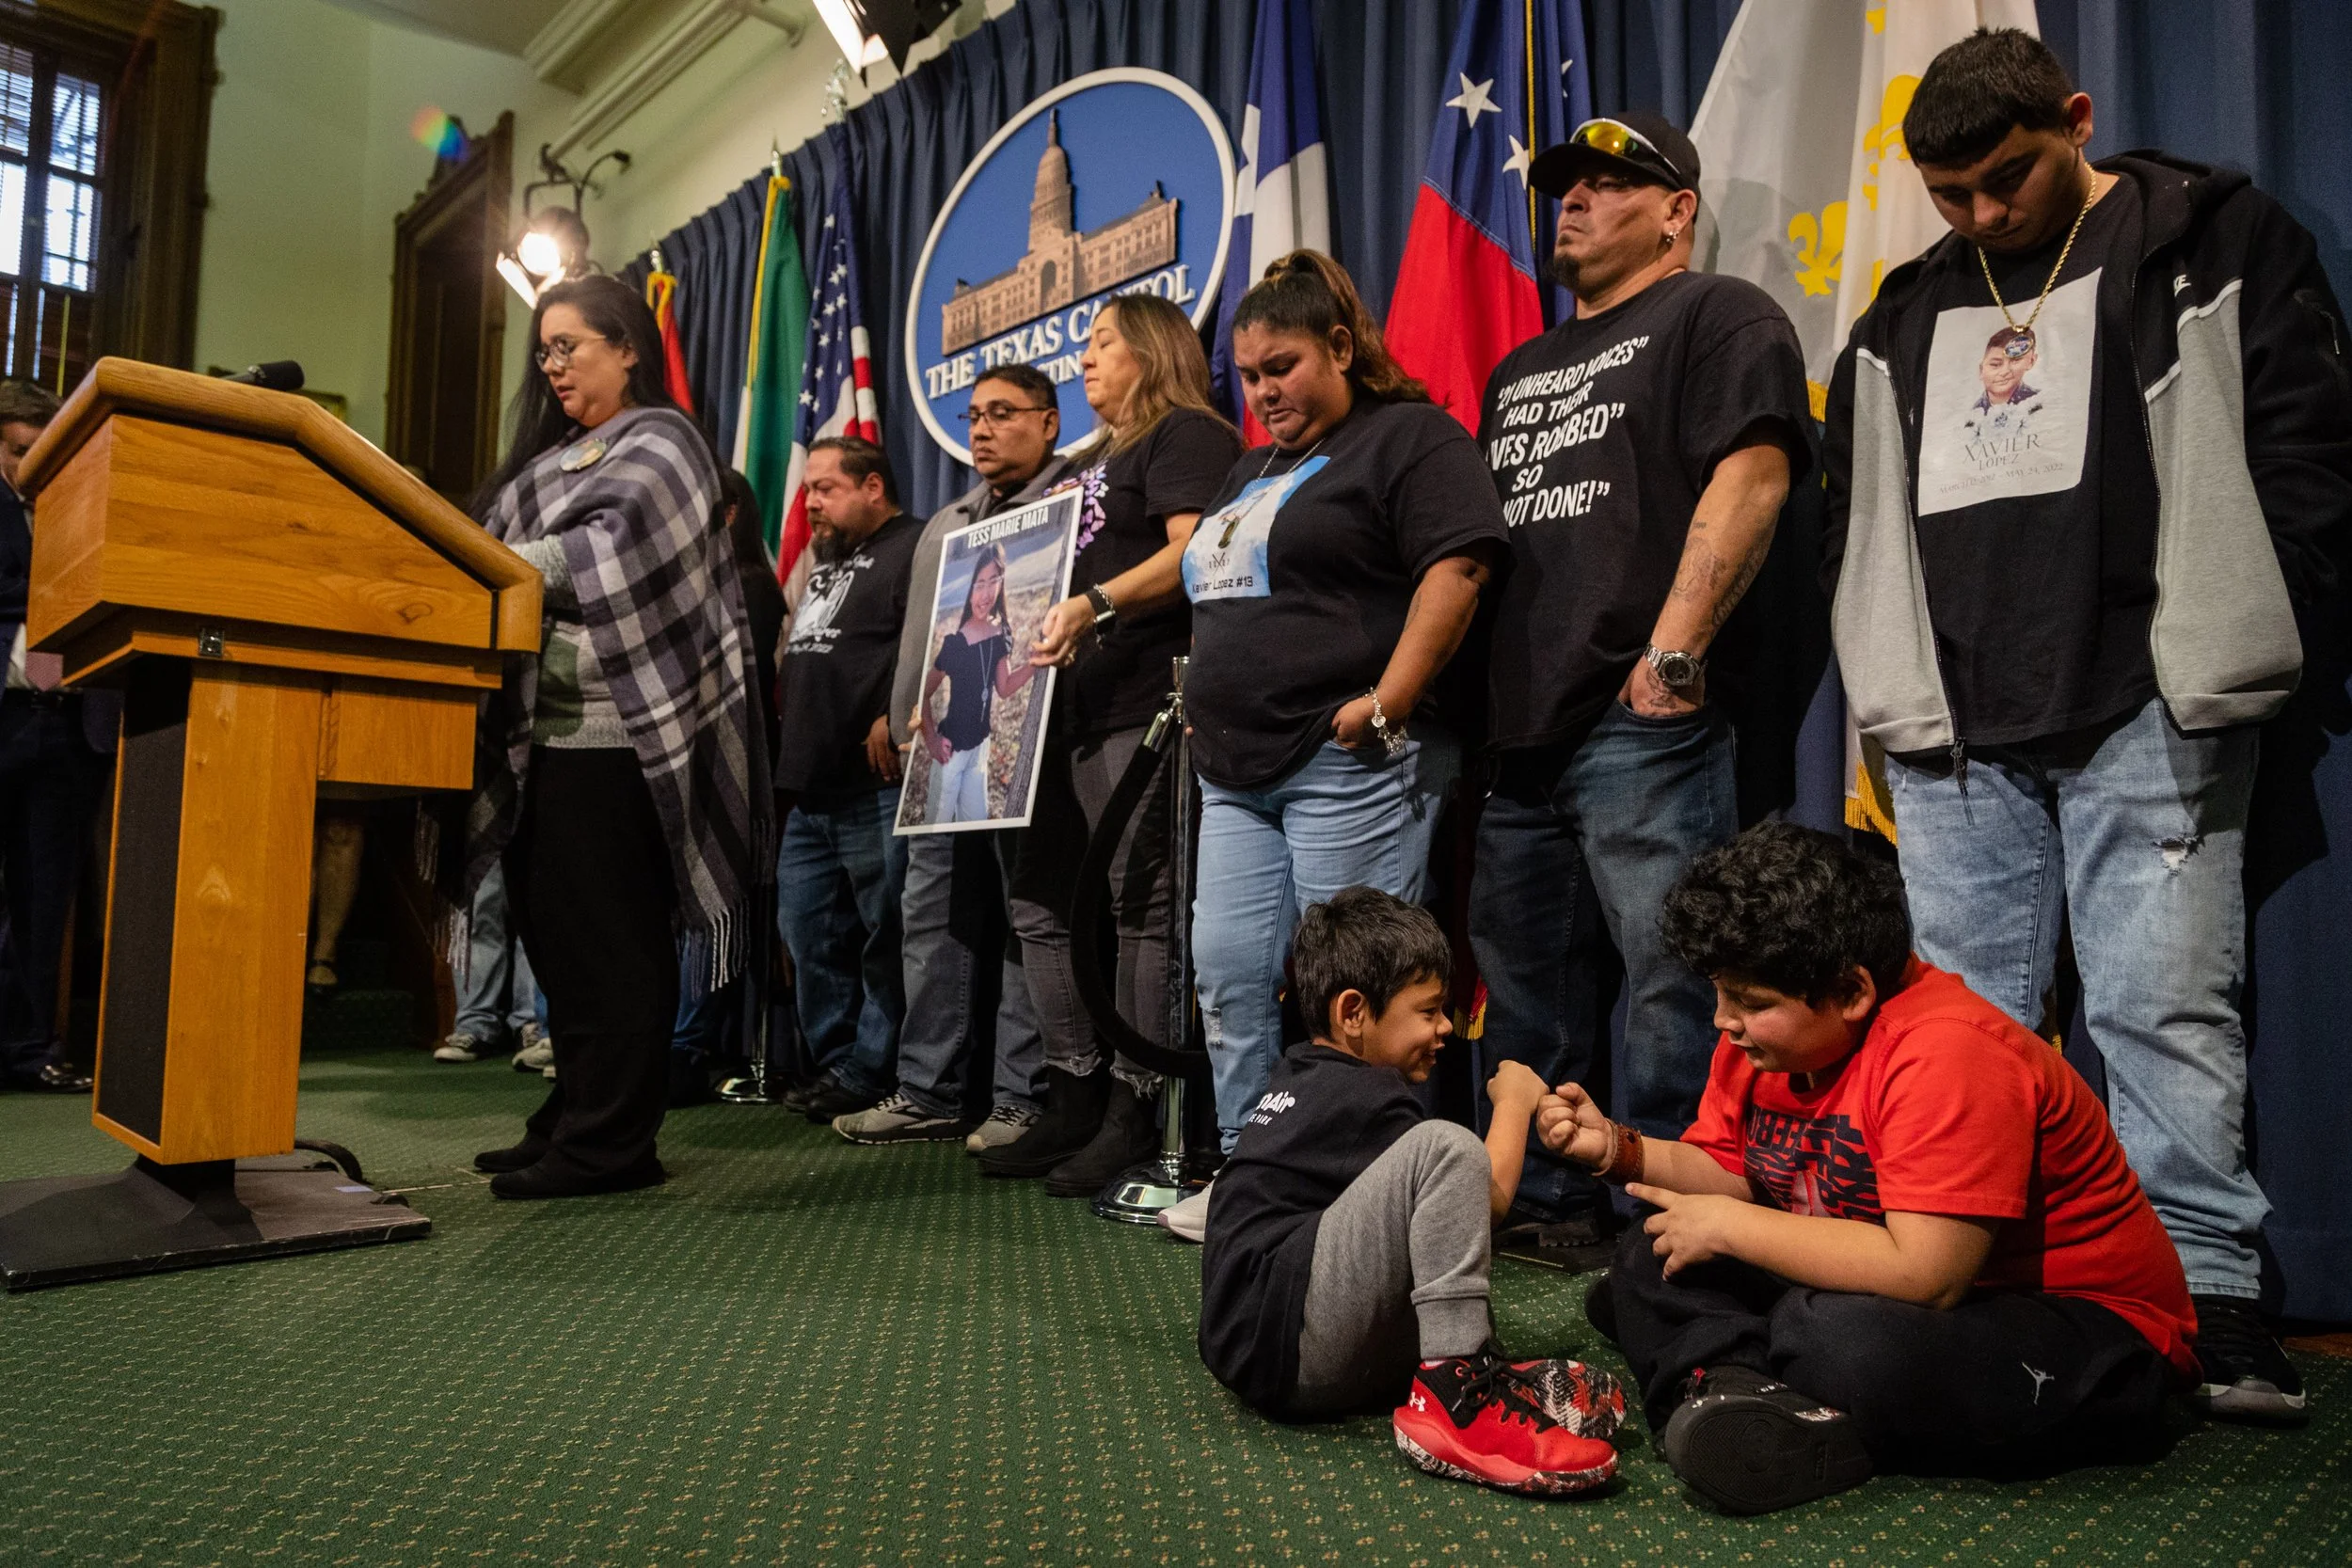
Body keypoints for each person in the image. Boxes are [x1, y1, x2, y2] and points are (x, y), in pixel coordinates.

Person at [1822, 26, 2352, 1419]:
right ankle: (1981, 1274)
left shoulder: (2209, 237)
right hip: (1952, 719)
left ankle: (2206, 1294)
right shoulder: (1904, 307)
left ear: (2078, 117)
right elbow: (1856, 513)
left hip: (2146, 692)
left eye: (2006, 179)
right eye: (1951, 194)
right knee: (1971, 1029)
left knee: (2157, 1004)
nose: (1982, 215)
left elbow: (2305, 443)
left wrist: (2264, 624)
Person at [1547, 823, 2198, 1515]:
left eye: (1752, 1002)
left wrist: (1733, 1229)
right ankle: (1744, 1396)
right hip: (1895, 1285)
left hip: (2088, 1333)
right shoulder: (1763, 1046)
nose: (1724, 1021)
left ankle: (1732, 1371)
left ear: (1852, 991)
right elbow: (1737, 1174)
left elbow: (1929, 1274)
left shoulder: (1948, 1050)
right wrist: (1619, 1150)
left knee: (1828, 1333)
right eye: (1720, 993)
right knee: (1656, 1246)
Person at [1470, 114, 1813, 1260]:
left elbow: (1756, 472)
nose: (1570, 200)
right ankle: (1552, 1202)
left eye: (1610, 184)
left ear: (1676, 211)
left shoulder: (1716, 313)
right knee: (1526, 999)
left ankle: (1672, 1216)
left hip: (1641, 720)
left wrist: (1669, 660)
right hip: (1519, 732)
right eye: (1564, 184)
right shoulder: (1518, 367)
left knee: (1676, 986)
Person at [1181, 251, 1507, 1164]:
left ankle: (1348, 1176)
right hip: (1235, 774)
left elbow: (1461, 562)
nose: (1262, 391)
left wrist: (1388, 700)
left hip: (1350, 764)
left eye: (1280, 366)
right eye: (1247, 376)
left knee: (1354, 991)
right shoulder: (1248, 466)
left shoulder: (1407, 436)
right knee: (1231, 972)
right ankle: (1257, 1175)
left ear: (1339, 344)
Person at [464, 273, 769, 1199]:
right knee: (557, 942)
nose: (553, 365)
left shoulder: (662, 440)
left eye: (571, 346)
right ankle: (575, 1113)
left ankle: (611, 1144)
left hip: (622, 738)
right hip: (543, 735)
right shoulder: (551, 460)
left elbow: (608, 553)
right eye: (545, 350)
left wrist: (475, 562)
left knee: (609, 945)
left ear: (627, 346)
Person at [1197, 886, 1624, 1496]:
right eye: (1428, 1011)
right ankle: (1461, 1395)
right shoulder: (1365, 1096)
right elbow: (1485, 1203)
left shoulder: (1304, 1075)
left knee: (1431, 1233)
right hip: (1284, 1339)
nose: (1446, 1026)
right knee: (1445, 1150)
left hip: (1264, 1338)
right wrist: (1516, 1101)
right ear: (1353, 1013)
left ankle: (1471, 1373)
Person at [979, 294, 1244, 1192]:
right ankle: (1073, 1091)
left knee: (1142, 906)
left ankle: (1138, 1102)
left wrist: (1095, 605)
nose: (1083, 358)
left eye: (1102, 342)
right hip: (1056, 711)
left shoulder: (1185, 436)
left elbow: (1195, 550)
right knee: (1041, 906)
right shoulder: (1082, 462)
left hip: (1140, 699)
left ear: (1156, 349)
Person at [831, 366, 1063, 1152]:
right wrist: (903, 722)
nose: (983, 429)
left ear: (1050, 422)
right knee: (926, 919)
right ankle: (927, 1089)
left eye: (1004, 413)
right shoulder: (946, 524)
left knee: (1021, 921)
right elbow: (921, 638)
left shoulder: (1071, 505)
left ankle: (1020, 1098)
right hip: (934, 757)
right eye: (974, 415)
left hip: (1023, 755)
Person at [770, 436, 921, 1124]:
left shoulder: (913, 547)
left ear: (874, 488)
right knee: (807, 932)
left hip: (874, 786)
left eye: (826, 488)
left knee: (882, 937)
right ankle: (835, 1060)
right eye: (808, 491)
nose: (812, 503)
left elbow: (927, 639)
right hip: (810, 790)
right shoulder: (827, 563)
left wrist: (894, 708)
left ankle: (872, 1066)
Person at [0, 378, 112, 1094]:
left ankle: (30, 1047)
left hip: (69, 724)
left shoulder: (80, 505)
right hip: (6, 715)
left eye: (43, 452)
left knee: (46, 901)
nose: (29, 468)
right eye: (16, 452)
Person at [914, 541, 1041, 826]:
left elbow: (1005, 688)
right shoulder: (955, 644)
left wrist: (1034, 664)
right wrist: (932, 739)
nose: (985, 594)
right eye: (978, 584)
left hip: (979, 751)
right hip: (951, 754)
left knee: (976, 827)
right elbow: (924, 693)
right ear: (968, 588)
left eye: (992, 581)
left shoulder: (1000, 634)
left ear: (1001, 581)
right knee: (938, 830)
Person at [433, 862, 546, 1068]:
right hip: (482, 830)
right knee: (477, 913)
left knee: (533, 912)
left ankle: (532, 1025)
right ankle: (474, 1025)